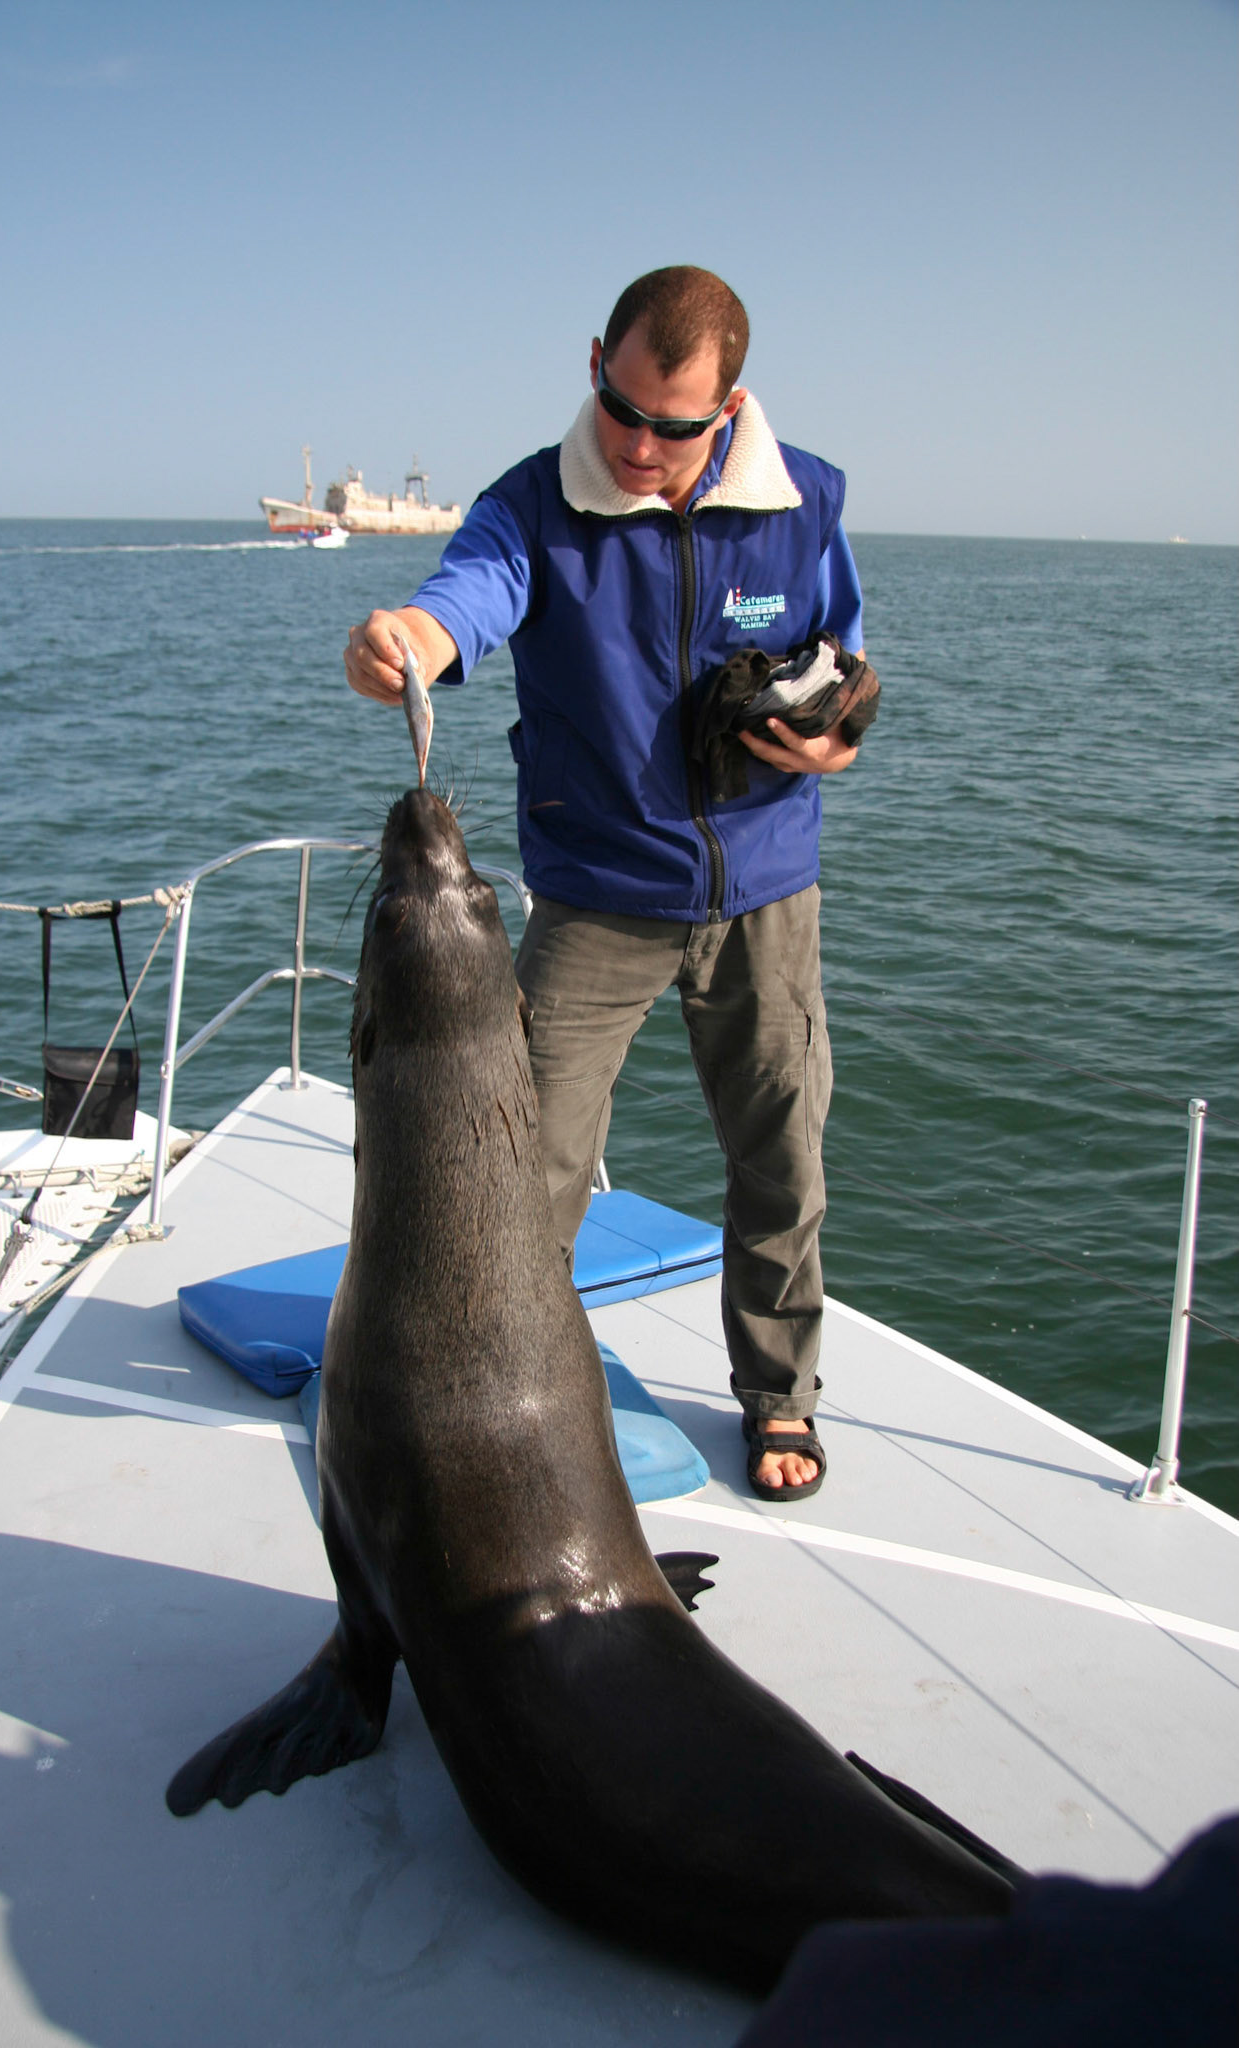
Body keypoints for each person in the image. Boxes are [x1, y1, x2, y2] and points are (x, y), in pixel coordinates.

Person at [343, 265, 866, 1500]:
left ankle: (779, 1395)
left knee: (784, 1160)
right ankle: (483, 1405)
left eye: (674, 424)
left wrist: (835, 736)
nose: (638, 443)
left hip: (768, 894)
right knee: (518, 1173)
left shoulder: (802, 505)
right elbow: (465, 596)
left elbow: (845, 659)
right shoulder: (532, 507)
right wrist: (411, 642)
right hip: (596, 894)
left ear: (729, 405)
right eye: (620, 405)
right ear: (595, 361)